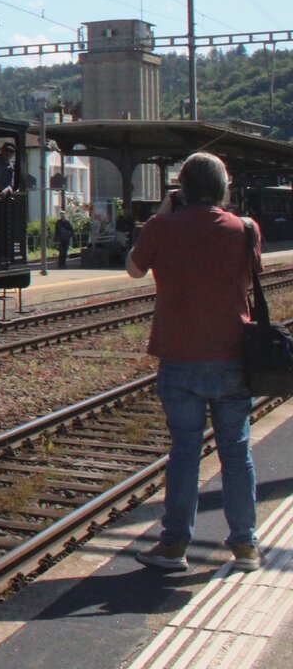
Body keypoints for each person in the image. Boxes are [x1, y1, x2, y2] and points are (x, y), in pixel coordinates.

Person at [126, 152, 261, 573]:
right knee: (236, 451)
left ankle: (174, 546)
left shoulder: (160, 226)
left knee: (184, 452)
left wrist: (163, 214)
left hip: (179, 357)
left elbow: (133, 270)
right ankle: (245, 546)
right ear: (223, 187)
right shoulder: (245, 229)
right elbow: (251, 275)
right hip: (232, 356)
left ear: (181, 188)